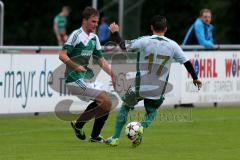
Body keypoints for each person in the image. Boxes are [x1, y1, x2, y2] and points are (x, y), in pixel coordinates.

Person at [105, 15, 202, 147]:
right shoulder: (173, 45)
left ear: (151, 27)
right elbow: (187, 63)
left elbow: (124, 46)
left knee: (126, 106)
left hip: (140, 86)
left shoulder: (144, 41)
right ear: (166, 29)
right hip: (158, 88)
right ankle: (141, 128)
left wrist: (115, 32)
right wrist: (195, 78)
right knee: (152, 112)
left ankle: (115, 138)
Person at [59, 7, 116, 143]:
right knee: (104, 99)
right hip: (73, 79)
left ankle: (93, 135)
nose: (96, 24)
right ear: (84, 20)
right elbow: (62, 55)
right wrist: (75, 66)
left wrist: (113, 75)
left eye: (97, 22)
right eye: (93, 21)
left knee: (107, 103)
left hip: (83, 79)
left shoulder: (94, 38)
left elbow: (101, 60)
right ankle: (79, 125)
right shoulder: (76, 35)